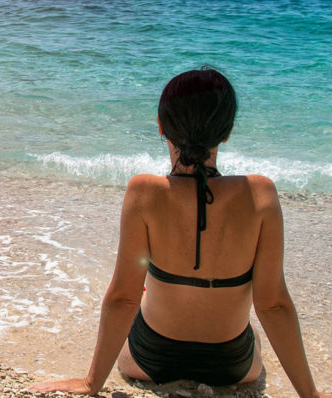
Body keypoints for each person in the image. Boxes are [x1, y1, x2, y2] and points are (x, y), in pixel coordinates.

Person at [29, 67, 329, 398]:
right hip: (232, 366)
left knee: (141, 299)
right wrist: (311, 395)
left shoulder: (144, 191)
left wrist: (91, 384)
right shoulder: (261, 194)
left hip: (149, 360)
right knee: (253, 333)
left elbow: (122, 298)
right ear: (227, 131)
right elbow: (274, 306)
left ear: (160, 126)